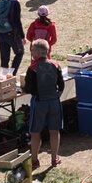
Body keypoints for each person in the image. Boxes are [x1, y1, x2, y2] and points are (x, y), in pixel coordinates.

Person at [23, 38, 65, 168]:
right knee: (54, 130)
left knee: (35, 133)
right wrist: (57, 95)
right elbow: (61, 84)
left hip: (39, 102)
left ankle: (35, 160)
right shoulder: (55, 65)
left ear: (36, 52)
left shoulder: (33, 68)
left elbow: (29, 89)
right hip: (54, 101)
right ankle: (54, 158)